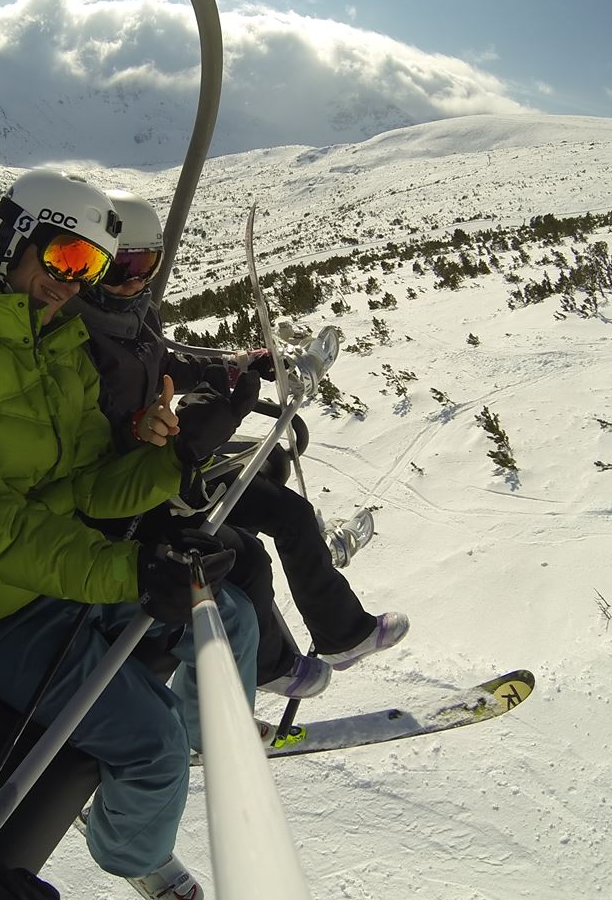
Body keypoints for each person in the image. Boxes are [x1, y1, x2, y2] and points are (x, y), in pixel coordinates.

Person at [0, 169, 259, 900]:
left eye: (94, 270)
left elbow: (82, 484)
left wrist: (174, 460)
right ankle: (132, 854)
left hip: (55, 563)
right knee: (150, 747)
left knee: (225, 610)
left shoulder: (52, 341)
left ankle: (221, 742)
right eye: (66, 259)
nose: (73, 284)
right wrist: (131, 575)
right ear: (15, 236)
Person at [69, 189, 409, 699]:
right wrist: (146, 428)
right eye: (122, 268)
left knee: (288, 513)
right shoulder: (75, 338)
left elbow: (164, 365)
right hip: (139, 486)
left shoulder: (135, 314)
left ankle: (343, 633)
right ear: (91, 265)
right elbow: (86, 434)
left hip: (174, 461)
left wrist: (235, 366)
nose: (136, 280)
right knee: (247, 556)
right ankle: (268, 666)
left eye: (147, 265)